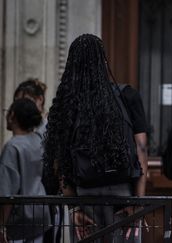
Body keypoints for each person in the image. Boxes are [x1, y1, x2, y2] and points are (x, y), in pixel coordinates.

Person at [43, 34, 149, 242]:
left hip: (84, 197)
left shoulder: (68, 104)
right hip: (123, 196)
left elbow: (60, 163)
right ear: (104, 61)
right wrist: (138, 200)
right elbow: (141, 149)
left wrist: (74, 208)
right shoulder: (127, 96)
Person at [0, 98, 50, 243]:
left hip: (20, 219)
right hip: (40, 212)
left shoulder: (13, 147)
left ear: (13, 115)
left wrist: (1, 226)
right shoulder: (38, 141)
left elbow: (7, 193)